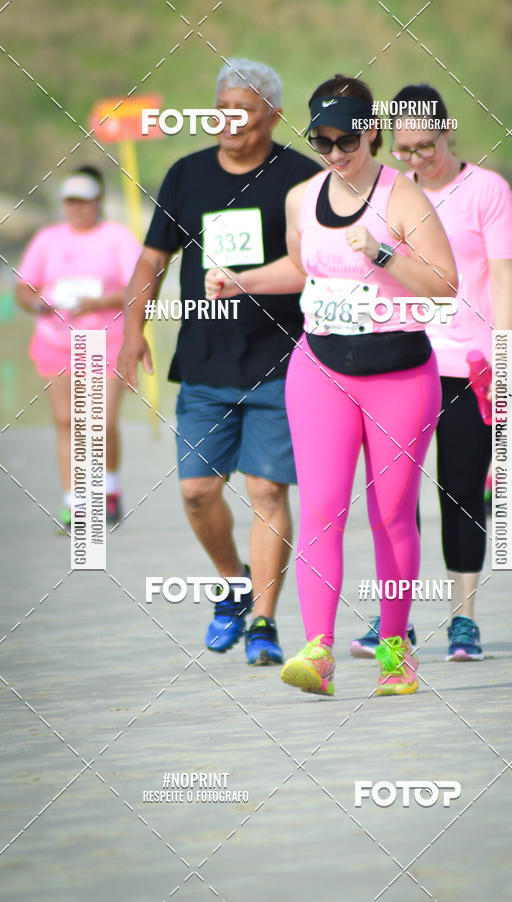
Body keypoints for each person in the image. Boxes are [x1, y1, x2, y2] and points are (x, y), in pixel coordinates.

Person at [207, 74, 457, 695]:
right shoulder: (301, 198)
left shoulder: (403, 198)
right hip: (320, 369)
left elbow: (445, 283)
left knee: (392, 513)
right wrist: (244, 281)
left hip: (399, 375)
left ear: (371, 132)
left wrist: (380, 254)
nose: (336, 152)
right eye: (322, 140)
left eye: (347, 138)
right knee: (321, 510)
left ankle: (396, 648)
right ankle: (317, 651)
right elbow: (302, 265)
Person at [118, 59, 320, 665]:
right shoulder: (186, 176)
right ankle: (233, 586)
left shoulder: (302, 179)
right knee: (198, 492)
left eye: (246, 112)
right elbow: (151, 262)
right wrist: (133, 330)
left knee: (265, 489)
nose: (230, 123)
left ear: (274, 117)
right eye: (223, 110)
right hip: (204, 363)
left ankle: (263, 621)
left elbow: (318, 264)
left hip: (279, 359)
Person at [351, 84, 512, 662]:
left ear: (447, 131)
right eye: (403, 150)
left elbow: (503, 279)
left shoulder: (487, 192)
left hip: (468, 365)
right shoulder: (387, 194)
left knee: (461, 492)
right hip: (400, 358)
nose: (416, 160)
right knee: (393, 499)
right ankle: (394, 619)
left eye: (425, 147)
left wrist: (506, 357)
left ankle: (463, 618)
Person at [16, 166, 141, 530]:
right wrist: (39, 303)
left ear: (98, 202)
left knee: (99, 422)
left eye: (84, 202)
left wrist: (98, 300)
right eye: (71, 202)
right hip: (56, 339)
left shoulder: (117, 237)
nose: (77, 209)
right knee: (66, 421)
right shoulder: (48, 239)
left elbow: (139, 284)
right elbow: (25, 286)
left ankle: (110, 488)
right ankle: (76, 504)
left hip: (106, 338)